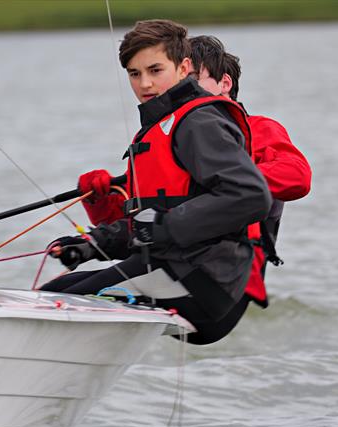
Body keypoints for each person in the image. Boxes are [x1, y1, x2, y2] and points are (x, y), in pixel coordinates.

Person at [40, 19, 271, 344]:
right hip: (167, 267)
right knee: (54, 293)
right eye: (135, 74)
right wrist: (95, 245)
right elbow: (150, 219)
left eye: (155, 70)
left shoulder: (198, 121)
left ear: (183, 67)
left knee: (54, 305)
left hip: (204, 284)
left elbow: (250, 196)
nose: (145, 83)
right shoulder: (158, 128)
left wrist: (164, 225)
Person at [188, 35, 311, 327]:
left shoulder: (260, 130)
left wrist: (231, 178)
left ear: (225, 84)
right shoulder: (177, 138)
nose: (184, 90)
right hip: (170, 266)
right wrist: (102, 198)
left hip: (230, 284)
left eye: (193, 79)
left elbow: (298, 177)